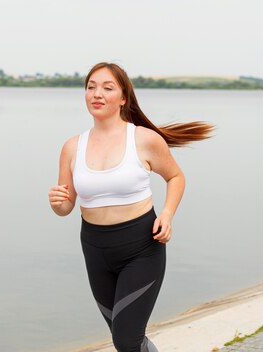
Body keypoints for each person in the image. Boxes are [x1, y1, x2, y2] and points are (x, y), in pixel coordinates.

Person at [48, 62, 214, 352]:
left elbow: (175, 176)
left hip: (141, 248)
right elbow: (66, 207)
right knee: (127, 340)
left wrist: (167, 214)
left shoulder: (144, 139)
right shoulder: (72, 147)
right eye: (91, 87)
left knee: (125, 340)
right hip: (95, 250)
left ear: (123, 98)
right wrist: (58, 204)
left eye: (107, 88)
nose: (97, 94)